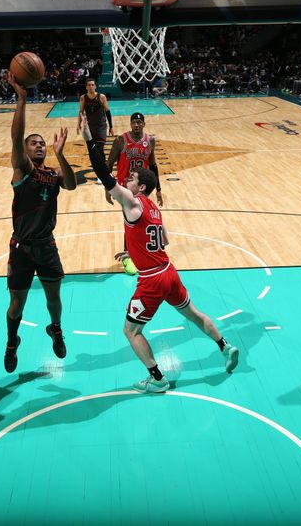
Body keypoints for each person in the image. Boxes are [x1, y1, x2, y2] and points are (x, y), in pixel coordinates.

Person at [80, 113, 239, 393]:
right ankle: (225, 346)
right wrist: (134, 251)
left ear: (140, 187)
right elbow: (161, 240)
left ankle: (157, 378)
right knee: (194, 314)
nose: (126, 178)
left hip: (152, 280)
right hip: (169, 272)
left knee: (130, 331)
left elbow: (104, 175)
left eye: (131, 178)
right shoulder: (153, 208)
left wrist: (89, 140)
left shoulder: (131, 201)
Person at [4, 73, 77, 373]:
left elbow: (71, 184)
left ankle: (56, 329)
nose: (39, 146)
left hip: (46, 247)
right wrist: (21, 99)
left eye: (42, 144)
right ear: (25, 149)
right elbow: (15, 136)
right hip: (21, 249)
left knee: (54, 302)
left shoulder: (52, 173)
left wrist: (61, 156)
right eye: (34, 143)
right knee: (16, 306)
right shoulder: (21, 171)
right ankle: (11, 342)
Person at [106, 112, 163, 275]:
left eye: (139, 122)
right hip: (125, 188)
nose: (136, 125)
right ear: (130, 124)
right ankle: (127, 256)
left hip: (143, 188)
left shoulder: (150, 141)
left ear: (144, 124)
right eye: (134, 122)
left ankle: (138, 251)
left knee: (142, 219)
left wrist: (158, 189)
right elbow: (108, 164)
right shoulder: (121, 140)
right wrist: (107, 188)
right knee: (131, 221)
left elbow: (153, 166)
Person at [76, 78, 113, 156]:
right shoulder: (83, 98)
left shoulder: (102, 97)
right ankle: (99, 166)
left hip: (101, 127)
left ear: (95, 86)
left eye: (93, 85)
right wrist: (78, 124)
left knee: (99, 148)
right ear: (86, 87)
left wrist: (111, 127)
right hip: (90, 127)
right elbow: (81, 112)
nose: (91, 86)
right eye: (89, 85)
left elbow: (107, 112)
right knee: (93, 150)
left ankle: (102, 166)